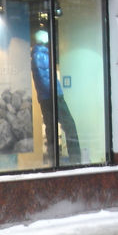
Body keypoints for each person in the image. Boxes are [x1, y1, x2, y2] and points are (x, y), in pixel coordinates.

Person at [30, 31, 81, 164]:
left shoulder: (40, 54)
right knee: (69, 124)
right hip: (53, 96)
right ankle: (75, 158)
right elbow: (44, 78)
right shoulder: (41, 55)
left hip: (46, 96)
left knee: (51, 127)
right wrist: (54, 94)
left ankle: (53, 159)